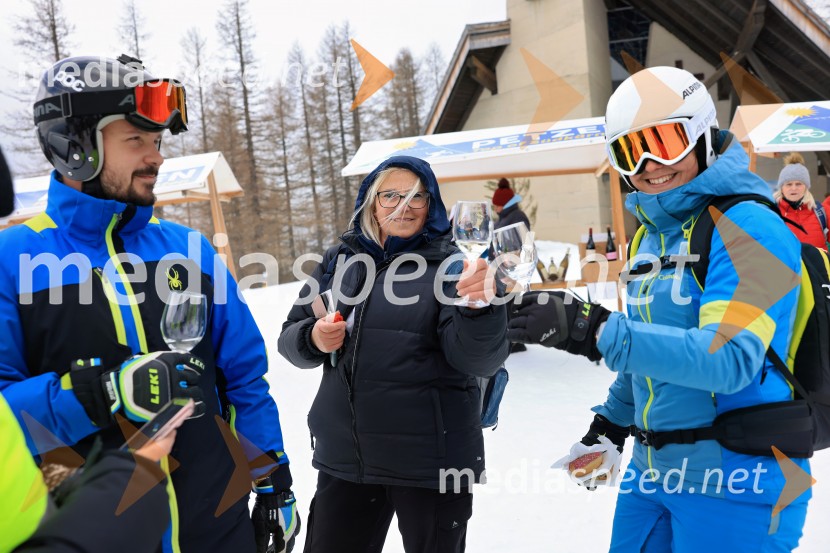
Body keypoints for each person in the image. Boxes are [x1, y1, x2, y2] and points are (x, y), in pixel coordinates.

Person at [0, 55, 298, 553]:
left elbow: (243, 378)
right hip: (96, 533)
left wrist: (271, 480)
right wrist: (101, 394)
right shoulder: (12, 261)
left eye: (158, 141)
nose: (155, 157)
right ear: (75, 147)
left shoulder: (189, 249)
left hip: (217, 527)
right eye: (136, 139)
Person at [508, 67, 809, 550]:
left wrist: (592, 329)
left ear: (703, 134)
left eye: (665, 143)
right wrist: (611, 423)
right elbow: (649, 353)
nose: (649, 164)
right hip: (652, 475)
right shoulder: (650, 237)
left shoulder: (750, 226)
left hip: (738, 481)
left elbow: (728, 359)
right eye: (631, 151)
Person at [278, 155, 509, 553]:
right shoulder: (339, 260)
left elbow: (478, 360)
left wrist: (481, 307)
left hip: (430, 463)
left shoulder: (455, 267)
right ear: (372, 202)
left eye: (416, 196)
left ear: (431, 204)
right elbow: (289, 337)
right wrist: (312, 338)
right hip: (347, 458)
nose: (404, 206)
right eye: (391, 195)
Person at [774, 152, 827, 250]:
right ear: (781, 188)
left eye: (798, 184)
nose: (794, 188)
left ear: (806, 187)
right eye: (789, 184)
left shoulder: (821, 212)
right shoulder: (771, 213)